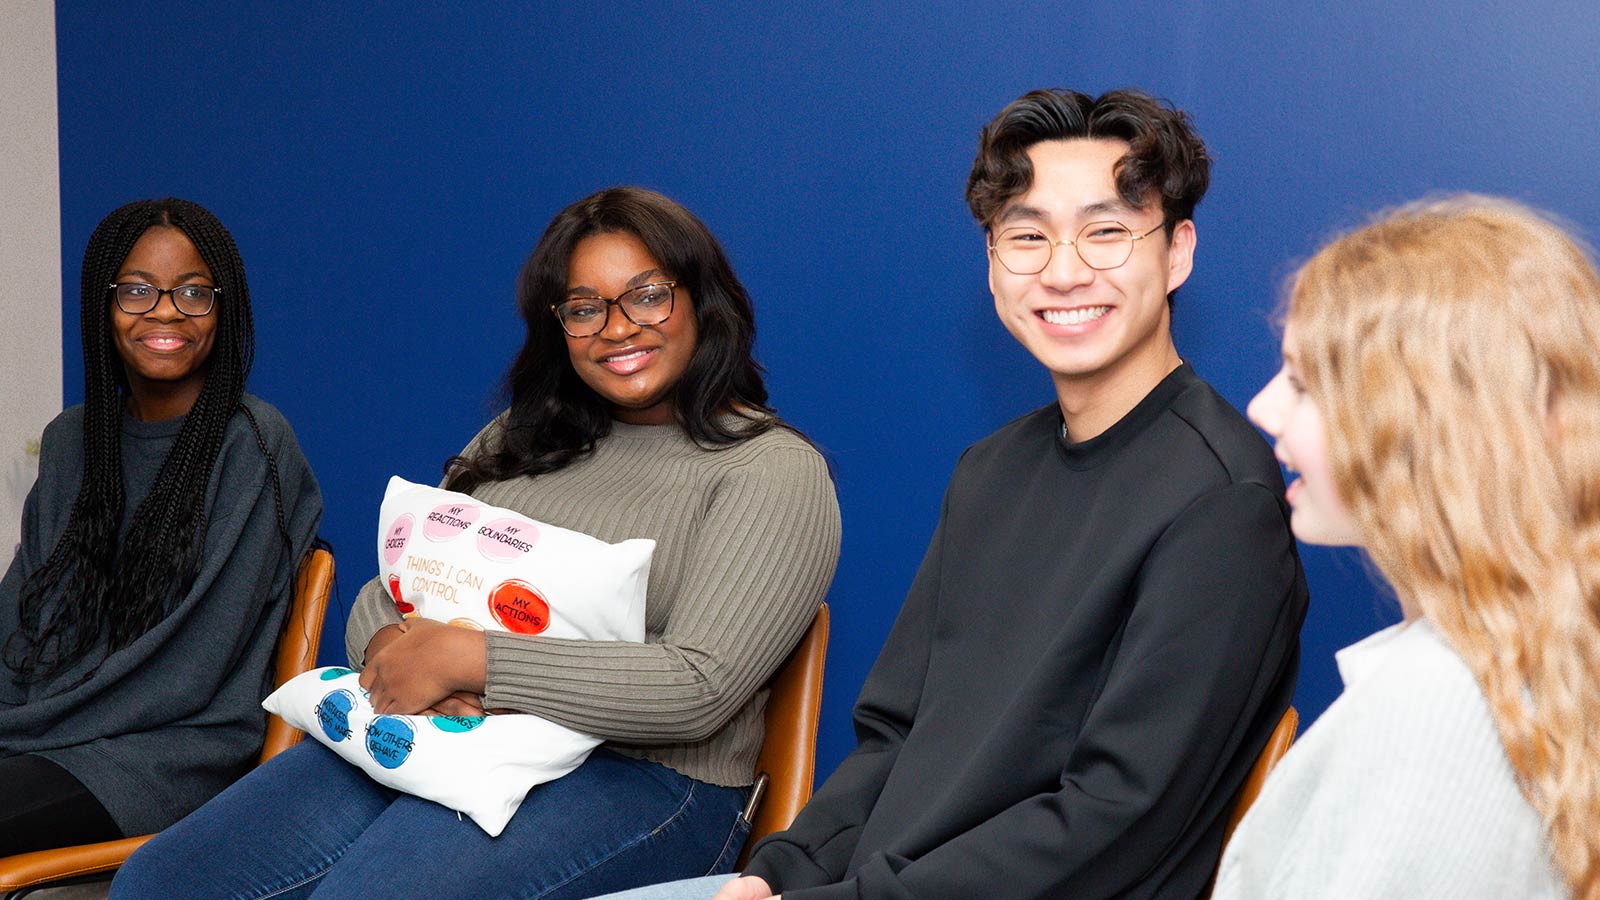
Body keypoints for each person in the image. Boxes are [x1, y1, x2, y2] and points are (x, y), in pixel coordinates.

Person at [597, 88, 1308, 900]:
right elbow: (895, 734)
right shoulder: (991, 470)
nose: (1065, 269)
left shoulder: (1222, 499)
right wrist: (777, 874)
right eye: (1028, 235)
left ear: (1178, 252)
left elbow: (1115, 818)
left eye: (1108, 231)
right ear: (993, 260)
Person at [112, 186, 842, 900]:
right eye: (585, 308)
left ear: (702, 300)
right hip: (444, 736)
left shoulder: (770, 470)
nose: (618, 328)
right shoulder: (519, 439)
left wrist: (472, 661)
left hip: (647, 779)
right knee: (162, 880)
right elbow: (387, 593)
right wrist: (401, 662)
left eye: (648, 295)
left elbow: (698, 688)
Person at [1215, 196, 1600, 899]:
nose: (1263, 407)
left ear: (1427, 428)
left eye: (1303, 383)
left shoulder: (1442, 710)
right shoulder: (1513, 669)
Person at [0, 198, 323, 856]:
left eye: (194, 292)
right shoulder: (73, 440)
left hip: (173, 757)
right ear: (103, 303)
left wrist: (33, 727)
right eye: (138, 290)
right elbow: (22, 615)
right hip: (58, 737)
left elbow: (195, 663)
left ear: (222, 307)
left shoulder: (252, 444)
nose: (167, 311)